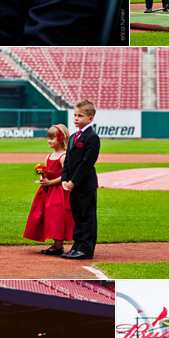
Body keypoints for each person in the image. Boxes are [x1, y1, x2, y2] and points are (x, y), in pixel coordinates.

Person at [23, 123, 74, 256]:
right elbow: (48, 171)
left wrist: (50, 182)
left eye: (52, 138)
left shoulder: (63, 156)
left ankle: (58, 245)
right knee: (46, 215)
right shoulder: (49, 156)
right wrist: (42, 177)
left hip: (58, 191)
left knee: (57, 216)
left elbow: (65, 175)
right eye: (48, 138)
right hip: (47, 191)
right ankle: (55, 243)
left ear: (60, 139)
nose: (49, 141)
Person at [61, 99, 100, 261]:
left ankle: (86, 248)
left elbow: (87, 164)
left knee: (87, 216)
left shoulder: (92, 137)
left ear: (90, 119)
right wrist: (64, 179)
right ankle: (77, 245)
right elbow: (68, 161)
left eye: (80, 116)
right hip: (73, 185)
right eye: (75, 115)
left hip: (85, 185)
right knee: (77, 216)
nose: (76, 118)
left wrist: (73, 182)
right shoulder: (72, 137)